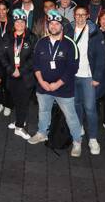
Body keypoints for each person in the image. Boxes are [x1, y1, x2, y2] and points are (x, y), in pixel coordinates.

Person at [28, 11, 84, 158]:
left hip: (63, 89)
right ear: (48, 26)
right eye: (51, 24)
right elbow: (36, 65)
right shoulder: (41, 42)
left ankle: (77, 141)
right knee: (43, 112)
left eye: (56, 24)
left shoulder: (70, 44)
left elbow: (73, 68)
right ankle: (42, 133)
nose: (53, 26)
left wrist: (56, 84)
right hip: (43, 87)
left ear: (62, 26)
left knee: (70, 116)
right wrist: (42, 82)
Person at [65, 6, 105, 155]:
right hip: (72, 76)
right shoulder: (68, 30)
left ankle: (93, 139)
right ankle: (78, 136)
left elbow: (101, 56)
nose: (80, 17)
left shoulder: (95, 32)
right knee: (76, 105)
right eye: (78, 15)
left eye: (83, 15)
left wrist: (97, 77)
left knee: (90, 108)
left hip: (88, 76)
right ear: (74, 16)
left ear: (88, 16)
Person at [0, 9, 38, 140]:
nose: (20, 24)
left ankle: (19, 127)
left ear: (25, 23)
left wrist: (20, 71)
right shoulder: (7, 36)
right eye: (17, 21)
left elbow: (34, 58)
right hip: (11, 75)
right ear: (13, 23)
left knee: (24, 102)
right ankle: (19, 120)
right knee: (16, 100)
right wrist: (11, 69)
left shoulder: (32, 37)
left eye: (22, 22)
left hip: (26, 76)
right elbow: (1, 55)